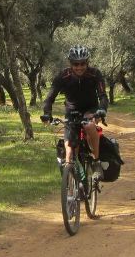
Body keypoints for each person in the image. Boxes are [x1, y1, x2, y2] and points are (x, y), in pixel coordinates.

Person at [40, 45, 109, 178]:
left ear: (87, 63)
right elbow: (49, 98)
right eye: (75, 64)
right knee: (70, 150)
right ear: (70, 63)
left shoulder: (95, 74)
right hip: (72, 111)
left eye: (82, 63)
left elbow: (103, 96)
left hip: (91, 108)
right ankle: (72, 181)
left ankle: (96, 162)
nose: (79, 67)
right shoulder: (63, 76)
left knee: (88, 125)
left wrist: (101, 110)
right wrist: (47, 114)